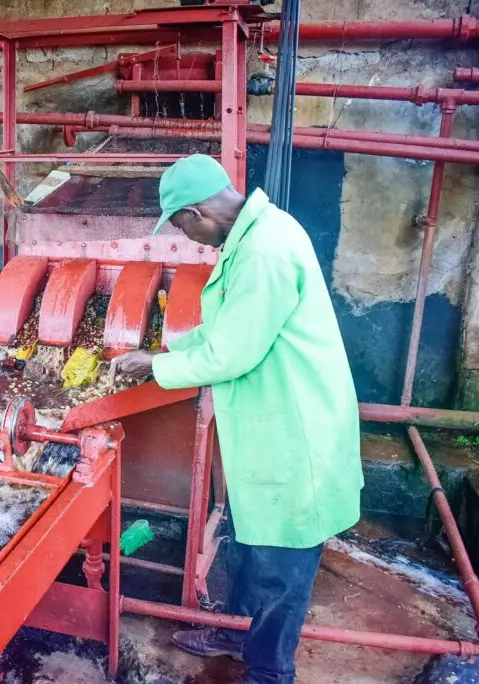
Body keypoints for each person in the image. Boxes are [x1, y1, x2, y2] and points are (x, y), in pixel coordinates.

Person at [115, 154, 364, 684]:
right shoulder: (250, 237)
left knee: (282, 568)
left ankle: (268, 672)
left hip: (297, 433)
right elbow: (225, 327)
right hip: (270, 423)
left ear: (198, 212)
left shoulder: (265, 251)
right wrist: (166, 351)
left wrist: (160, 367)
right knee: (250, 545)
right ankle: (235, 633)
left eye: (180, 226)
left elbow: (233, 354)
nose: (185, 237)